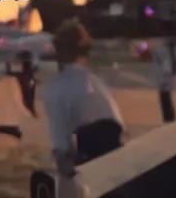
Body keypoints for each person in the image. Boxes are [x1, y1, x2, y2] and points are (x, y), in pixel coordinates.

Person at [41, 19, 124, 178]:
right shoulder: (95, 82)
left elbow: (61, 145)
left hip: (91, 154)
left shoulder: (56, 88)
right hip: (116, 154)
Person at [149, 36, 176, 123]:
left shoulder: (172, 50)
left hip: (167, 74)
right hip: (165, 74)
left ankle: (169, 118)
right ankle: (168, 117)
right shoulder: (167, 49)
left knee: (165, 96)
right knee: (164, 96)